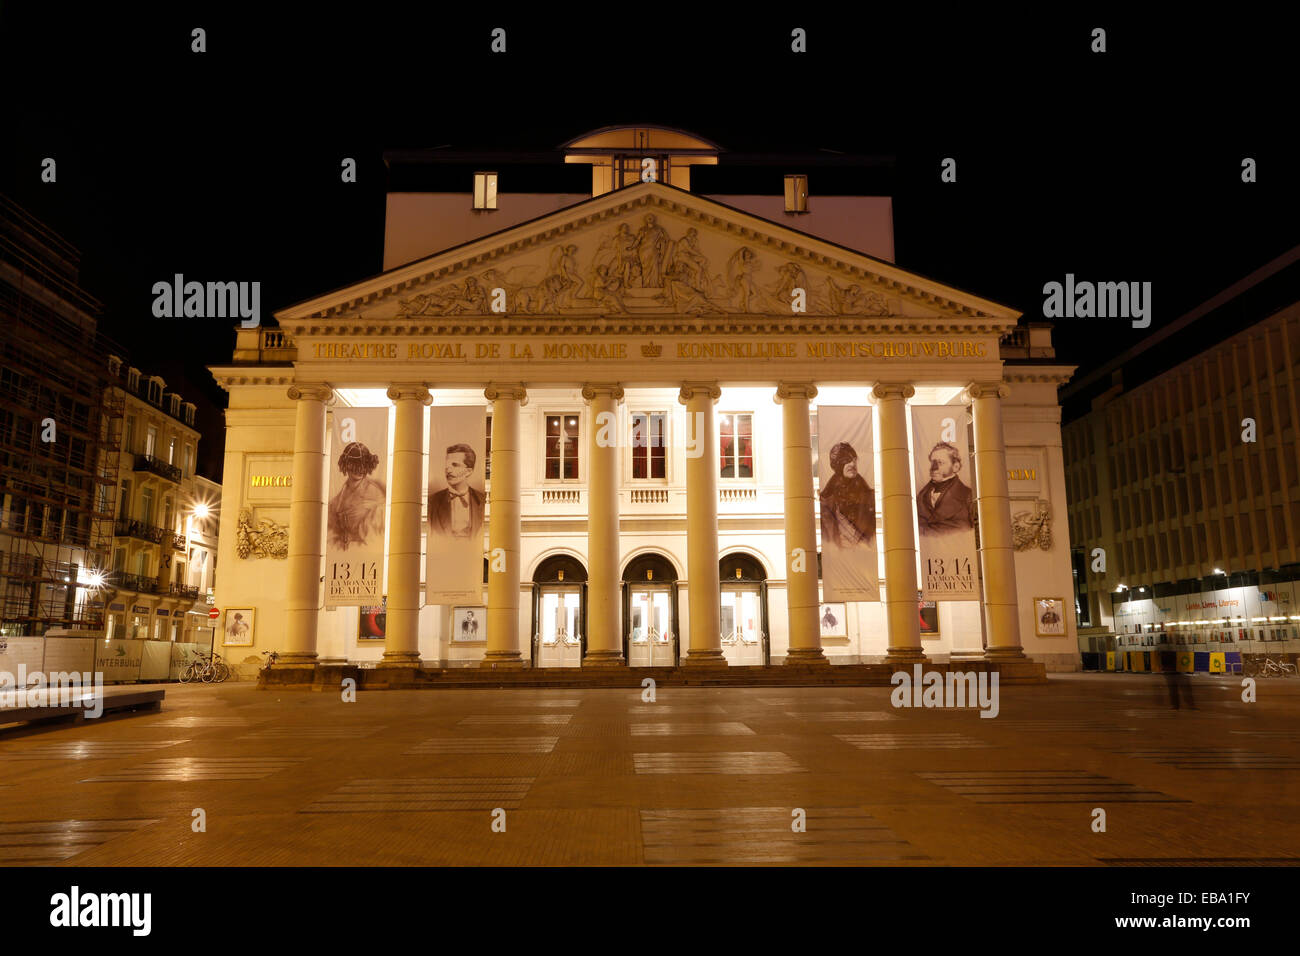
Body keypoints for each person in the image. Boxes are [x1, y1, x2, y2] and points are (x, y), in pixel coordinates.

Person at [328, 442, 386, 549]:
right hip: (340, 555)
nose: (358, 470)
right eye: (354, 465)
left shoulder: (375, 494)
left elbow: (374, 538)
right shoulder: (336, 501)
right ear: (346, 465)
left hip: (365, 555)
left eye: (362, 466)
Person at [819, 442, 876, 548]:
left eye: (854, 460)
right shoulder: (826, 501)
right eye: (846, 460)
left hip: (864, 557)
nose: (852, 464)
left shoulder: (869, 497)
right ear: (837, 464)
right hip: (837, 559)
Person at [916, 441, 975, 536]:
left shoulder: (967, 496)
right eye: (932, 462)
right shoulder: (921, 497)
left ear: (955, 467)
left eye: (940, 462)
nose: (934, 468)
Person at [429, 444, 485, 539]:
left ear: (469, 471)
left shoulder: (481, 499)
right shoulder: (433, 501)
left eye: (455, 465)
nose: (448, 470)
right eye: (447, 465)